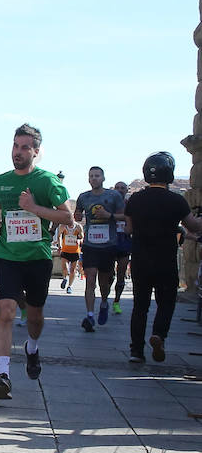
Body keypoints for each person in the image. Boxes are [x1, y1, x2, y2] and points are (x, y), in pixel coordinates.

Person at [0, 125, 72, 399]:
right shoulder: (1, 180)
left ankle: (31, 348)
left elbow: (67, 218)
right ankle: (3, 374)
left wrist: (34, 208)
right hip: (8, 256)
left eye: (24, 148)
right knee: (6, 311)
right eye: (15, 146)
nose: (18, 152)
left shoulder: (47, 182)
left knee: (34, 317)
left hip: (38, 257)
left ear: (35, 152)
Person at [125, 152, 202, 362]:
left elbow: (129, 228)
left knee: (140, 306)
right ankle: (159, 334)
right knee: (166, 302)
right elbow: (193, 226)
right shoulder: (176, 200)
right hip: (165, 259)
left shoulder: (135, 199)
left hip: (140, 259)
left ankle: (136, 351)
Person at [75, 166, 126, 332]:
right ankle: (89, 315)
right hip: (90, 245)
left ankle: (104, 302)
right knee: (90, 279)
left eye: (97, 176)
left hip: (108, 245)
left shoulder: (113, 196)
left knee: (104, 282)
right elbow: (77, 214)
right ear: (88, 179)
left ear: (103, 178)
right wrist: (77, 216)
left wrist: (109, 216)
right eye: (91, 176)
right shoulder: (83, 197)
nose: (94, 178)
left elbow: (124, 216)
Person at [112, 180, 132, 313]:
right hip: (110, 241)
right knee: (107, 274)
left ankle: (116, 301)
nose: (119, 190)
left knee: (121, 274)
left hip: (124, 241)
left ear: (126, 190)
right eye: (117, 188)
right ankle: (104, 298)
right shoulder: (109, 204)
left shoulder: (130, 205)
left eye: (122, 188)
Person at [57, 220, 82, 293]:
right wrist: (60, 246)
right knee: (65, 268)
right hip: (65, 250)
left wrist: (79, 239)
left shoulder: (78, 226)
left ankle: (69, 286)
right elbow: (58, 236)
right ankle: (65, 278)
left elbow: (82, 237)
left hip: (75, 251)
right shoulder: (63, 226)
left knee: (73, 270)